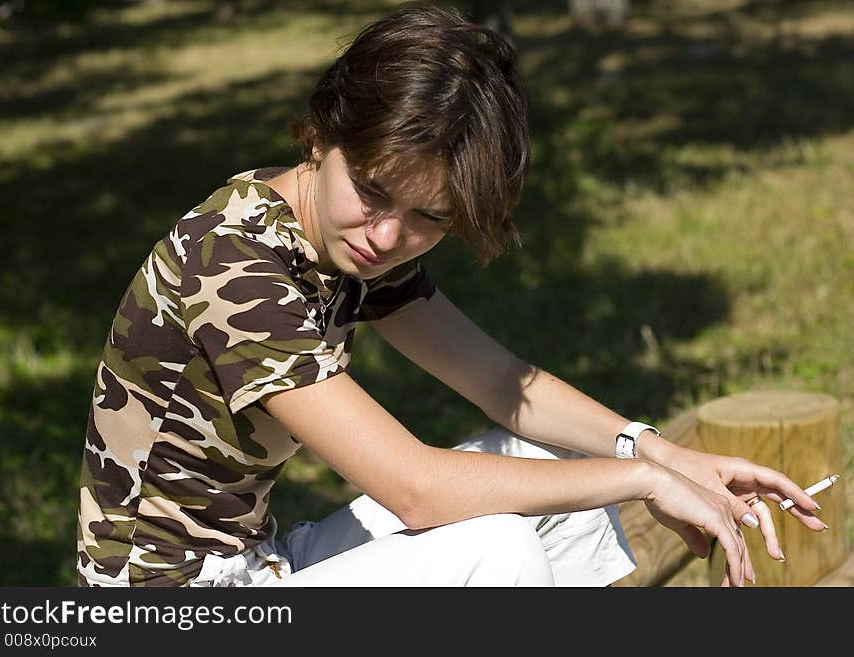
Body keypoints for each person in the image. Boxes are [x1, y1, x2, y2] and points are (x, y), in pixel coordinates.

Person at [76, 3, 824, 588]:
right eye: (371, 192)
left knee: (542, 466)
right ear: (319, 136)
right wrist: (645, 480)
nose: (386, 235)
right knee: (496, 547)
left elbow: (502, 384)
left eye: (429, 218)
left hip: (258, 567)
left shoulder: (347, 239)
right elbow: (416, 489)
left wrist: (656, 449)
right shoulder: (234, 263)